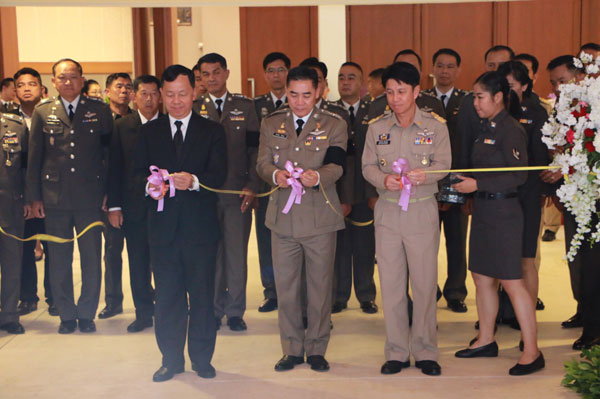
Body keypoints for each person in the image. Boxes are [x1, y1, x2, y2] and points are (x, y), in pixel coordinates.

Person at [133, 64, 227, 382]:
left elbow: (219, 175)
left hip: (200, 230)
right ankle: (170, 359)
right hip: (162, 232)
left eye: (182, 94)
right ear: (161, 95)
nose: (176, 101)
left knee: (201, 296)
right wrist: (151, 186)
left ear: (194, 92)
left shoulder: (212, 131)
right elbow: (136, 175)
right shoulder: (148, 132)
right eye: (170, 95)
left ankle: (202, 359)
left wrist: (196, 181)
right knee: (169, 298)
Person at [453, 71, 544, 376]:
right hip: (483, 211)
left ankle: (532, 351)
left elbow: (519, 175)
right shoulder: (484, 127)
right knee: (480, 277)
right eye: (474, 96)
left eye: (479, 97)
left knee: (512, 281)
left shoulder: (511, 129)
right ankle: (486, 339)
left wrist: (477, 183)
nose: (475, 102)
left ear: (497, 97)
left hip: (504, 212)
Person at [362, 62, 450, 377]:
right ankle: (397, 351)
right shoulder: (377, 127)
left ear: (416, 92)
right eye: (390, 92)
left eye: (402, 91)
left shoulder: (435, 126)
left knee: (425, 284)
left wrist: (424, 175)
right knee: (392, 284)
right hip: (387, 211)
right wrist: (382, 180)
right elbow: (368, 166)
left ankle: (426, 350)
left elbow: (444, 164)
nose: (396, 98)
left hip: (422, 209)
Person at [257, 66, 347, 372]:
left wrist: (317, 175)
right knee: (287, 288)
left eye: (306, 94)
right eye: (292, 94)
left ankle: (318, 348)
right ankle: (292, 349)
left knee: (320, 288)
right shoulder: (271, 122)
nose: (298, 101)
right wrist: (274, 174)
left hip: (320, 218)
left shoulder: (334, 124)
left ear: (318, 92)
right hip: (282, 220)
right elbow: (262, 163)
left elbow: (337, 166)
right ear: (285, 91)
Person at [26, 58, 113, 334]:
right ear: (52, 82)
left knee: (90, 258)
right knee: (60, 260)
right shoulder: (42, 112)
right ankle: (66, 314)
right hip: (55, 199)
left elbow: (109, 156)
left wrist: (108, 193)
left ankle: (86, 314)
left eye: (73, 77)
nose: (68, 82)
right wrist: (34, 198)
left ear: (82, 79)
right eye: (62, 78)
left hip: (90, 198)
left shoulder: (99, 110)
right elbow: (35, 159)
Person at [194, 53, 260, 332]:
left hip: (236, 193)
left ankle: (235, 310)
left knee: (235, 254)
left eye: (216, 72)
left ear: (227, 73)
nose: (211, 78)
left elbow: (255, 149)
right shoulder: (194, 106)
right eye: (205, 74)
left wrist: (252, 185)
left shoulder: (245, 106)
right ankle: (213, 308)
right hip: (205, 196)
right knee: (211, 253)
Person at [107, 74, 161, 333]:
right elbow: (114, 168)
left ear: (160, 96)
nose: (149, 99)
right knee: (138, 262)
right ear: (134, 96)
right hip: (133, 207)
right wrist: (115, 206)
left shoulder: (169, 125)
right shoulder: (122, 126)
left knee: (165, 261)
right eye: (143, 94)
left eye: (153, 94)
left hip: (165, 207)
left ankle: (166, 310)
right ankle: (143, 313)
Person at [498, 61, 549, 333]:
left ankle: (526, 320)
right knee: (497, 258)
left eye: (510, 87)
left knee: (525, 258)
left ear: (525, 86)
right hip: (496, 198)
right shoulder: (489, 114)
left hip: (525, 195)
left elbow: (539, 160)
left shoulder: (536, 113)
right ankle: (495, 313)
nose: (505, 93)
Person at [542, 55, 587, 332]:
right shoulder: (559, 109)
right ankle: (583, 308)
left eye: (562, 80)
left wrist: (565, 167)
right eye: (553, 82)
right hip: (570, 197)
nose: (558, 87)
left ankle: (594, 319)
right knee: (575, 256)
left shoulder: (593, 107)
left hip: (591, 197)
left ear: (579, 77)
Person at [424, 48, 469, 313]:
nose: (444, 71)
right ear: (433, 68)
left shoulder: (468, 100)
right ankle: (429, 289)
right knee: (426, 242)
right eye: (440, 66)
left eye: (450, 66)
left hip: (457, 180)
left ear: (458, 70)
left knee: (456, 240)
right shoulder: (422, 99)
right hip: (426, 182)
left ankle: (455, 292)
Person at [332, 61, 377, 314]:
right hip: (336, 188)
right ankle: (339, 295)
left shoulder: (374, 111)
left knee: (364, 244)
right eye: (341, 77)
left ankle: (366, 294)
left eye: (351, 77)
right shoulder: (328, 112)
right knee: (339, 244)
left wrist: (373, 193)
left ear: (361, 83)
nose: (346, 82)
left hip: (366, 187)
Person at [13, 67, 55, 317]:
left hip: (50, 194)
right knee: (24, 248)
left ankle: (54, 297)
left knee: (53, 248)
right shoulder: (7, 119)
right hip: (20, 197)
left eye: (32, 83)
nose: (26, 88)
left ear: (42, 88)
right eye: (21, 84)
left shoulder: (53, 115)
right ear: (15, 90)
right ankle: (27, 296)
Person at [253, 51, 291, 313]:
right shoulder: (254, 106)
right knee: (266, 241)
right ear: (264, 75)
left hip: (296, 187)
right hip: (266, 186)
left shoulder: (300, 101)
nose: (276, 75)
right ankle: (271, 291)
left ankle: (292, 291)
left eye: (281, 70)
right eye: (271, 70)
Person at [98, 72, 133, 320]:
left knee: (144, 250)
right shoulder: (99, 121)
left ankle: (149, 294)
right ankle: (113, 300)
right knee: (112, 250)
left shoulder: (138, 119)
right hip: (108, 197)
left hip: (136, 195)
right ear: (107, 91)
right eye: (118, 86)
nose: (124, 91)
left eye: (128, 87)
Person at [0, 111, 28, 334]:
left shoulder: (15, 126)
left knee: (12, 265)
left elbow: (27, 167)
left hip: (10, 207)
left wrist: (28, 199)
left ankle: (9, 315)